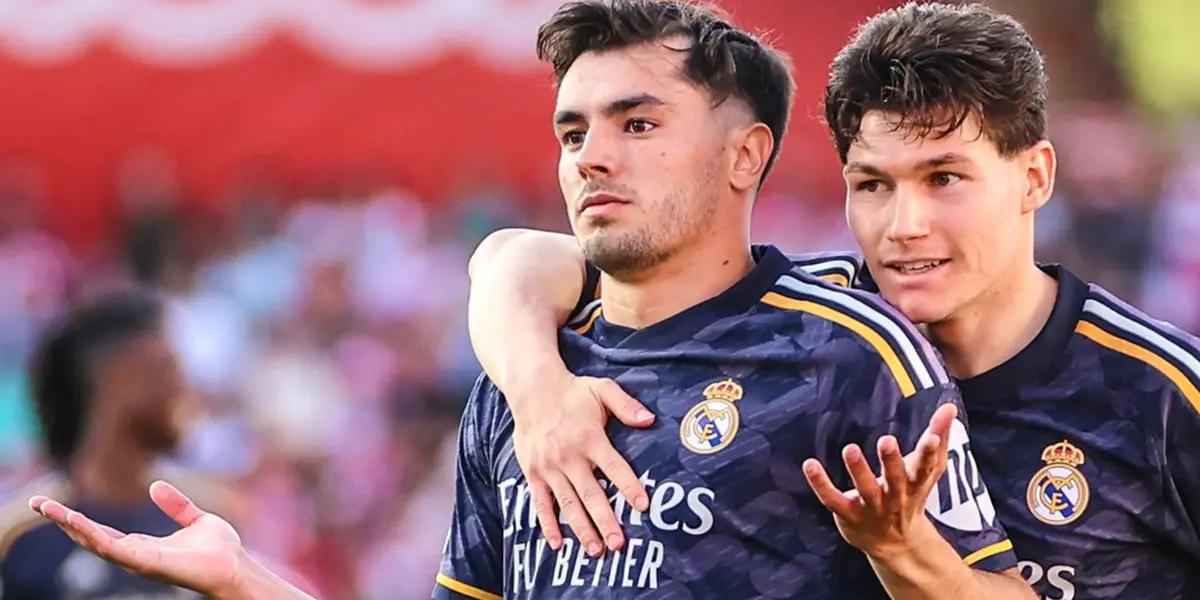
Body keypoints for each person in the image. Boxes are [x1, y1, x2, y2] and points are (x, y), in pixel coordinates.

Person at [28, 1, 1035, 599]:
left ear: (745, 154)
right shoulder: (519, 382)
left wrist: (905, 553)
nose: (592, 155)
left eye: (638, 123)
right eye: (572, 131)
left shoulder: (845, 355)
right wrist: (249, 581)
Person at [467, 2, 1200, 599]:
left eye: (944, 178)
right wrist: (538, 391)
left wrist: (904, 548)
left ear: (1035, 177)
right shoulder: (817, 337)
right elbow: (518, 259)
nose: (905, 226)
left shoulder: (1162, 393)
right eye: (873, 185)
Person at [0, 291, 220, 598]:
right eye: (169, 371)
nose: (185, 391)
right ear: (123, 381)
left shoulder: (207, 522)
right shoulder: (20, 539)